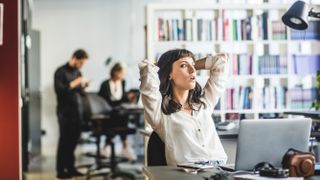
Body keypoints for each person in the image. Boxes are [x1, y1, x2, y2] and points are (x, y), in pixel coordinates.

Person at [139, 49, 228, 166]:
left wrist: (191, 65)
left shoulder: (204, 104)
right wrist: (164, 66)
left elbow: (220, 62)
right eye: (184, 66)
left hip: (220, 170)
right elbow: (147, 70)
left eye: (193, 66)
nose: (193, 70)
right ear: (169, 74)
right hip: (188, 174)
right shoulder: (160, 114)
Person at [54, 49, 89, 178]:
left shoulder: (78, 72)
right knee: (64, 141)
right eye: (80, 63)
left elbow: (79, 92)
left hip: (77, 112)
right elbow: (60, 91)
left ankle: (71, 168)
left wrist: (83, 87)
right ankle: (60, 171)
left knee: (74, 141)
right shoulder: (60, 72)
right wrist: (74, 83)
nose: (81, 66)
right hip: (65, 112)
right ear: (74, 58)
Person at [98, 63, 137, 160]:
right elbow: (104, 102)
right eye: (122, 73)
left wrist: (129, 98)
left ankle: (107, 147)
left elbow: (122, 99)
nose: (123, 75)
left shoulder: (122, 83)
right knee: (120, 118)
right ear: (115, 72)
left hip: (118, 113)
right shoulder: (105, 84)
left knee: (122, 115)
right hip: (107, 114)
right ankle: (125, 146)